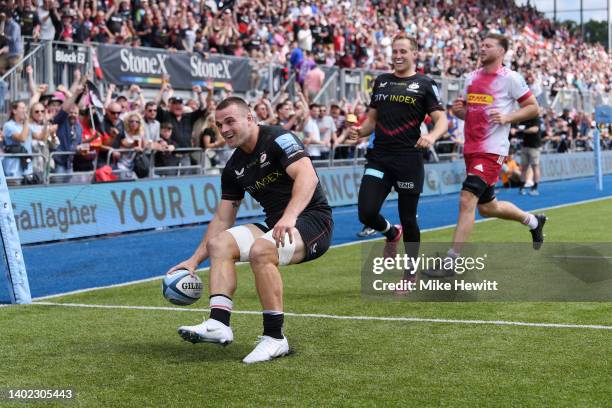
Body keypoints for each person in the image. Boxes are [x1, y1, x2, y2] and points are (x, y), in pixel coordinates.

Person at [170, 97, 333, 364]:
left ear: (250, 118)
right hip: (276, 224)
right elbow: (223, 218)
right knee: (220, 244)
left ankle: (275, 338)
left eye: (230, 121)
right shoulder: (233, 167)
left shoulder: (279, 139)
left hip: (313, 220)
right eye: (219, 124)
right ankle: (218, 323)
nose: (223, 130)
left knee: (262, 250)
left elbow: (308, 176)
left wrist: (290, 217)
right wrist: (194, 260)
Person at [423, 33, 546, 278]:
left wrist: (508, 117)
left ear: (501, 51)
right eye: (481, 45)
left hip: (492, 150)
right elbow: (468, 112)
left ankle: (451, 262)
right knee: (488, 208)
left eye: (487, 45)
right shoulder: (470, 77)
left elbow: (533, 107)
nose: (482, 48)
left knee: (467, 198)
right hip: (471, 148)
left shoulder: (511, 78)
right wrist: (460, 111)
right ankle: (533, 221)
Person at [348, 33, 448, 270]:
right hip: (379, 158)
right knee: (367, 213)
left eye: (403, 51)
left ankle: (410, 273)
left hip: (408, 160)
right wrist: (360, 132)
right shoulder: (381, 81)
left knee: (409, 219)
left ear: (415, 54)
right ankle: (392, 233)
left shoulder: (425, 84)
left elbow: (441, 120)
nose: (398, 56)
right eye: (395, 51)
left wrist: (431, 136)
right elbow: (372, 119)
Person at [513, 116, 542, 195]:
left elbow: (535, 129)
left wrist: (522, 130)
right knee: (524, 167)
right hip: (524, 145)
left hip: (534, 146)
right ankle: (521, 187)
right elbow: (518, 130)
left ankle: (535, 188)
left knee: (535, 166)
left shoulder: (535, 118)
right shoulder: (523, 119)